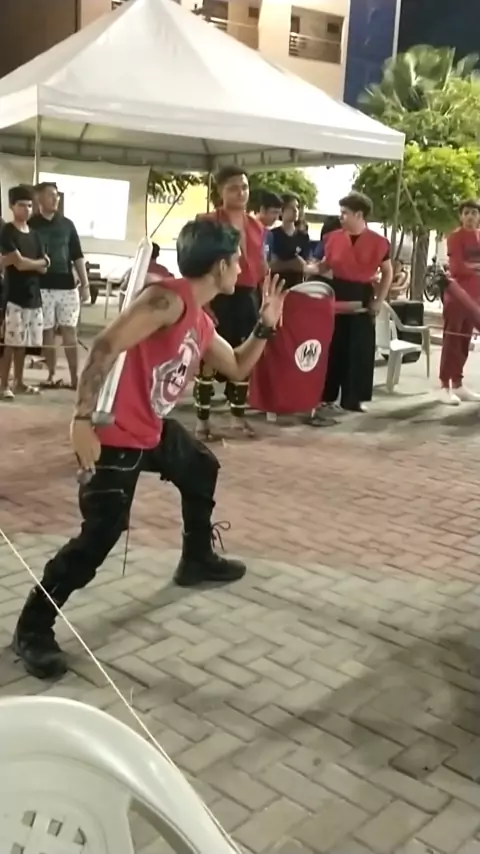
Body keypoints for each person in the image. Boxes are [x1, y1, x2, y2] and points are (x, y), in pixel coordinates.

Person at [12, 218, 284, 680]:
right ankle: (32, 627)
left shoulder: (199, 319)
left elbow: (238, 367)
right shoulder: (167, 300)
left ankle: (196, 558)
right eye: (237, 260)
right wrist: (81, 419)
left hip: (152, 429)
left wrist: (265, 327)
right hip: (115, 435)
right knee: (99, 537)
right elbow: (105, 344)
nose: (242, 268)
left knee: (200, 467)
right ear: (220, 265)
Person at [193, 166, 267, 439]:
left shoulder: (257, 226)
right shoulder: (207, 221)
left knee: (246, 355)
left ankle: (238, 418)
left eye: (245, 187)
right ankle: (202, 422)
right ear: (221, 192)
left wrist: (265, 299)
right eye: (234, 188)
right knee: (208, 358)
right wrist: (202, 303)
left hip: (247, 296)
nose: (241, 192)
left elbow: (262, 265)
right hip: (215, 294)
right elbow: (197, 263)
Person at [318, 192, 392, 413]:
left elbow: (387, 272)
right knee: (333, 348)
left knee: (359, 350)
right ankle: (327, 396)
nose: (340, 217)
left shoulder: (379, 242)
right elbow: (324, 265)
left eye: (345, 213)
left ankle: (353, 399)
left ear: (359, 215)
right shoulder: (332, 238)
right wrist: (308, 267)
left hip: (362, 295)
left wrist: (379, 300)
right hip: (336, 292)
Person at [29, 182, 90, 390]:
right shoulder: (31, 225)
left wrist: (85, 284)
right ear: (39, 198)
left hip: (67, 286)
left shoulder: (67, 225)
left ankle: (74, 377)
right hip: (42, 286)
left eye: (56, 195)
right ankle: (52, 375)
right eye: (50, 195)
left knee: (69, 331)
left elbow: (77, 255)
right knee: (47, 331)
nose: (55, 199)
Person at [0, 186, 49, 400]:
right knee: (11, 344)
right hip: (14, 296)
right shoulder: (7, 231)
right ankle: (4, 384)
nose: (26, 209)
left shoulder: (35, 235)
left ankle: (19, 382)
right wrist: (39, 263)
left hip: (33, 295)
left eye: (29, 205)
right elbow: (18, 264)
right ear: (12, 206)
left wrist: (37, 264)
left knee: (24, 344)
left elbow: (45, 267)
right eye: (21, 205)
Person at [439, 200, 480, 405]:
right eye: (467, 213)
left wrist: (472, 267)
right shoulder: (454, 237)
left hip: (475, 298)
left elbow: (467, 266)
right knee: (452, 339)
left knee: (465, 340)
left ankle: (458, 384)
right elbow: (456, 267)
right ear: (461, 216)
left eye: (474, 213)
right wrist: (475, 268)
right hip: (456, 295)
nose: (471, 216)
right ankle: (444, 386)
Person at [270, 194, 312, 289]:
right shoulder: (272, 235)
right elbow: (269, 265)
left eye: (297, 207)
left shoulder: (303, 236)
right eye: (291, 207)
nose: (295, 210)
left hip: (297, 286)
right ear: (281, 211)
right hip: (277, 286)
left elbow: (306, 263)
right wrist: (292, 264)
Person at [118, 243, 171, 312]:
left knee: (122, 292)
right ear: (158, 255)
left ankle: (122, 314)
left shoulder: (136, 270)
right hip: (159, 305)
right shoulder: (164, 270)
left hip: (137, 304)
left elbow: (123, 287)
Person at [254, 190, 282, 264]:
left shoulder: (269, 235)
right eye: (274, 212)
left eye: (278, 213)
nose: (276, 218)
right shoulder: (248, 231)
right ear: (263, 210)